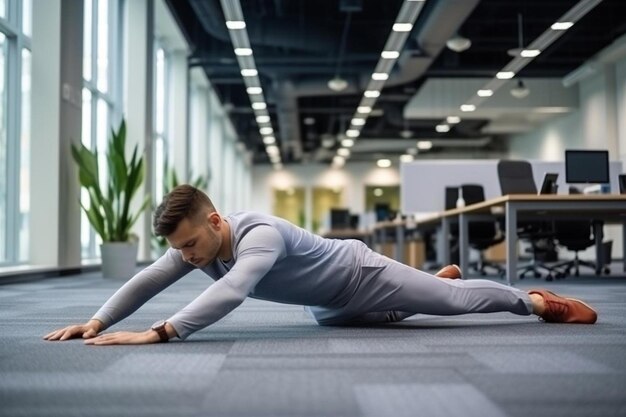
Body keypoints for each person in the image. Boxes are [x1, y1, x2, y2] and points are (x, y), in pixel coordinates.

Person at [44, 185, 597, 345]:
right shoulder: (195, 247)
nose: (186, 257)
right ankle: (423, 288)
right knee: (337, 319)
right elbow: (147, 278)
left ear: (215, 222)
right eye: (181, 249)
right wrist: (98, 322)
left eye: (191, 244)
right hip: (329, 303)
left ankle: (536, 302)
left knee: (452, 305)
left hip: (362, 273)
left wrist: (163, 333)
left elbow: (234, 292)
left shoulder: (259, 235)